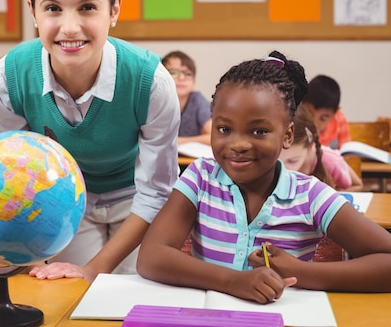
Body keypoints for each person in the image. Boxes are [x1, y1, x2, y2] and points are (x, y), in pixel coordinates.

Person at [0, 0, 180, 282]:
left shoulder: (150, 82)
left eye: (88, 7)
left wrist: (95, 269)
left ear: (114, 10)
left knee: (129, 293)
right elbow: (17, 167)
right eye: (53, 9)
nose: (70, 27)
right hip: (66, 199)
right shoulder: (10, 77)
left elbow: (157, 190)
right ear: (33, 11)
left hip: (138, 201)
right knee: (69, 294)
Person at [137, 51, 391, 304]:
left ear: (288, 135)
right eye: (224, 129)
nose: (238, 144)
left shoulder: (310, 195)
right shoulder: (201, 178)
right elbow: (151, 256)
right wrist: (232, 281)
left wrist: (301, 272)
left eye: (259, 131)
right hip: (210, 318)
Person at [280, 104, 363, 191]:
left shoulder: (329, 161)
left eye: (293, 161)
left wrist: (331, 199)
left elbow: (357, 185)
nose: (283, 169)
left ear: (309, 145)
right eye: (277, 161)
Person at [161, 51, 211, 146]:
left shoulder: (197, 100)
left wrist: (177, 141)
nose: (182, 78)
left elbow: (213, 137)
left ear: (194, 81)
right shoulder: (154, 102)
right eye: (173, 73)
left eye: (188, 74)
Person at [301, 75, 350, 149]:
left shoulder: (339, 119)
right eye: (310, 114)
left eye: (323, 118)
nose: (315, 123)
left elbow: (346, 150)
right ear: (302, 104)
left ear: (334, 113)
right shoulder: (296, 121)